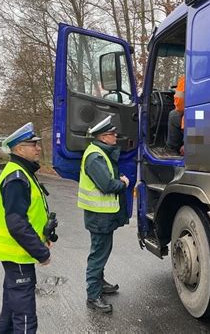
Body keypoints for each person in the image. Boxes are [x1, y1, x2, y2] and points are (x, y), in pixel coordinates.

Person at [0, 122, 54, 334]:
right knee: (24, 315)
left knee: (11, 304)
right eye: (32, 144)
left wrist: (43, 235)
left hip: (16, 254)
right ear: (18, 149)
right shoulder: (17, 177)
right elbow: (17, 224)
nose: (38, 148)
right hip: (18, 254)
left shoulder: (20, 172)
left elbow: (28, 215)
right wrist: (41, 253)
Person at [78, 116, 130, 313]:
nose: (115, 136)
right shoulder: (95, 157)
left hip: (103, 215)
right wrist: (123, 183)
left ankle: (99, 284)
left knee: (101, 251)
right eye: (112, 134)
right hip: (99, 216)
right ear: (103, 137)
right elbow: (107, 185)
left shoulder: (100, 153)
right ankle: (93, 296)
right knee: (98, 254)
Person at [158, 75, 185, 156]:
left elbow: (179, 105)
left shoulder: (187, 77)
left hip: (196, 117)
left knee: (174, 115)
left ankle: (172, 149)